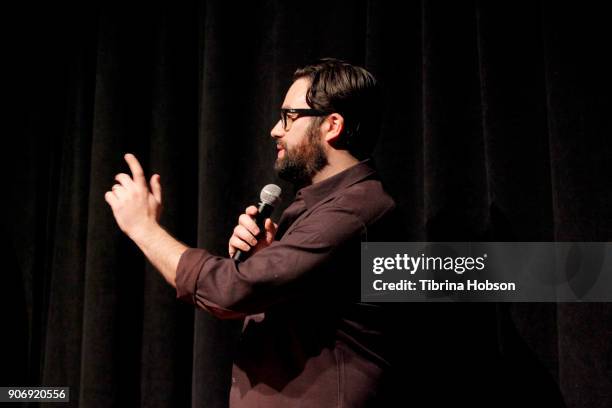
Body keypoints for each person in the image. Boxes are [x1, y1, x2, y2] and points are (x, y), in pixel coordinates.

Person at [105, 58, 398, 407]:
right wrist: (267, 258)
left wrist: (143, 227)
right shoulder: (320, 206)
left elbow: (230, 292)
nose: (276, 129)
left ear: (332, 125)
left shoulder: (355, 209)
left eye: (289, 116)